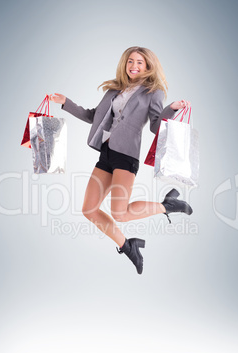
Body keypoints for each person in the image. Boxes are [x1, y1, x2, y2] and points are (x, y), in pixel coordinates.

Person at [49, 46, 192, 275]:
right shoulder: (115, 89)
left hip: (126, 155)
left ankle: (167, 205)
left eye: (140, 63)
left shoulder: (152, 92)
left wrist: (171, 109)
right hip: (106, 152)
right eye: (131, 61)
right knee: (89, 209)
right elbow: (93, 116)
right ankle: (128, 246)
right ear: (125, 64)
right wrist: (66, 102)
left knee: (120, 213)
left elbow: (156, 126)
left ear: (147, 67)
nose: (134, 66)